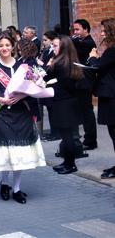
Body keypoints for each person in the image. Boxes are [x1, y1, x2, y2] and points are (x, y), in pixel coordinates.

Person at [0, 33, 46, 204]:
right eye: (1, 46)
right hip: (1, 112)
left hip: (21, 113)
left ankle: (17, 188)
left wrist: (21, 97)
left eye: (7, 45)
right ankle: (5, 183)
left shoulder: (23, 66)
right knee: (6, 152)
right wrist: (1, 99)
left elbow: (31, 89)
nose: (4, 48)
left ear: (13, 47)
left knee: (20, 152)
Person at [46, 35, 84, 175]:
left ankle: (70, 164)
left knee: (67, 136)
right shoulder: (67, 61)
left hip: (64, 104)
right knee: (67, 135)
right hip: (67, 103)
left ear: (63, 47)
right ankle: (67, 162)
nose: (53, 48)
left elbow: (62, 85)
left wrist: (48, 87)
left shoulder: (62, 64)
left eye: (55, 46)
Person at [88, 18, 115, 179]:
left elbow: (96, 66)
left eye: (105, 30)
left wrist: (93, 56)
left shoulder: (112, 50)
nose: (102, 33)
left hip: (111, 96)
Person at [72, 19, 98, 150]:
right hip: (80, 80)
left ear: (86, 29)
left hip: (85, 81)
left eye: (77, 29)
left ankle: (90, 140)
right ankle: (88, 138)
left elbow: (73, 44)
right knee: (83, 110)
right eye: (74, 29)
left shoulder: (88, 43)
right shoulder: (81, 41)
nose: (75, 32)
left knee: (87, 110)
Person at [38, 31, 60, 141]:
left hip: (52, 83)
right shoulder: (47, 51)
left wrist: (42, 65)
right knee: (50, 109)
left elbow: (49, 66)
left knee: (53, 110)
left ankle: (56, 132)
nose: (44, 42)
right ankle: (53, 131)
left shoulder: (54, 52)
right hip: (46, 81)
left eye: (46, 40)